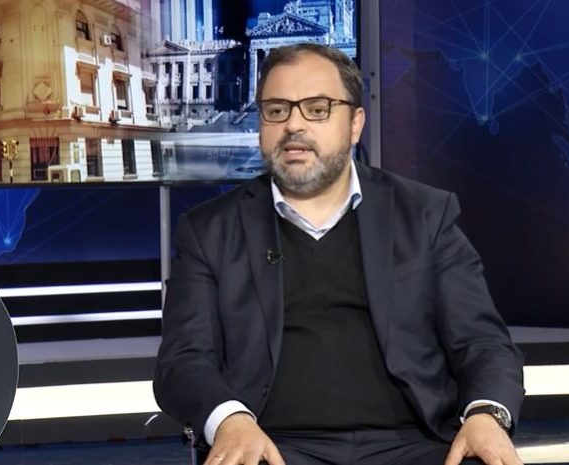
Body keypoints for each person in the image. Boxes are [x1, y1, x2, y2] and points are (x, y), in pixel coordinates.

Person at [154, 43, 525, 465]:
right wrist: (230, 420)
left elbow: (482, 342)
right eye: (276, 110)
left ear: (355, 124)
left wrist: (486, 415)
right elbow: (183, 361)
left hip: (417, 444)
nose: (293, 124)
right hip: (271, 447)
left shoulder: (425, 214)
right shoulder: (208, 230)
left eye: (317, 109)